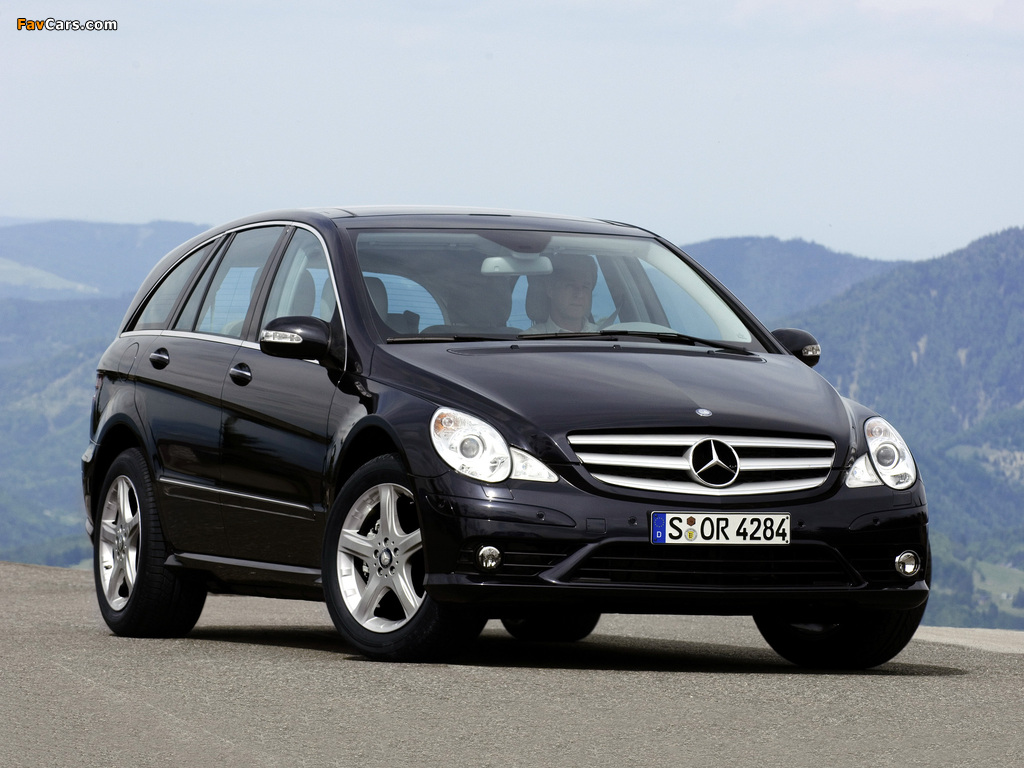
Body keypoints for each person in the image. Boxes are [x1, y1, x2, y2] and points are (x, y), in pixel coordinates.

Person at [527, 253, 600, 333]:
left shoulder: (605, 335)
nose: (580, 294)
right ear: (550, 289)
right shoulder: (529, 339)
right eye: (570, 285)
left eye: (585, 287)